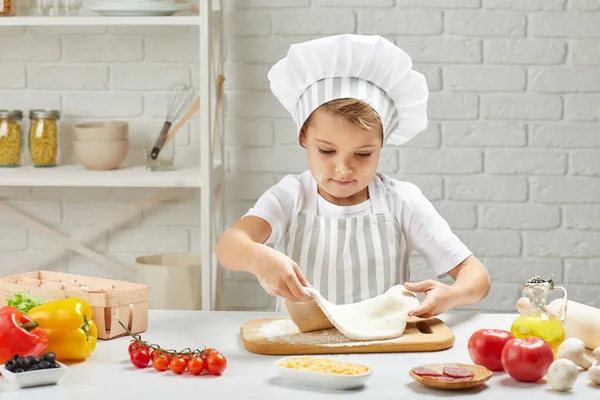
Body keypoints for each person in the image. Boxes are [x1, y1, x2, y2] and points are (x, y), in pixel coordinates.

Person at [216, 34, 491, 318]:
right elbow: (229, 245)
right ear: (303, 137)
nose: (344, 169)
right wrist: (256, 257)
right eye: (326, 151)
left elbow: (477, 276)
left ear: (382, 145)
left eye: (362, 154)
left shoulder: (400, 201)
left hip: (383, 348)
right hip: (300, 349)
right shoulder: (291, 196)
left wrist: (452, 294)